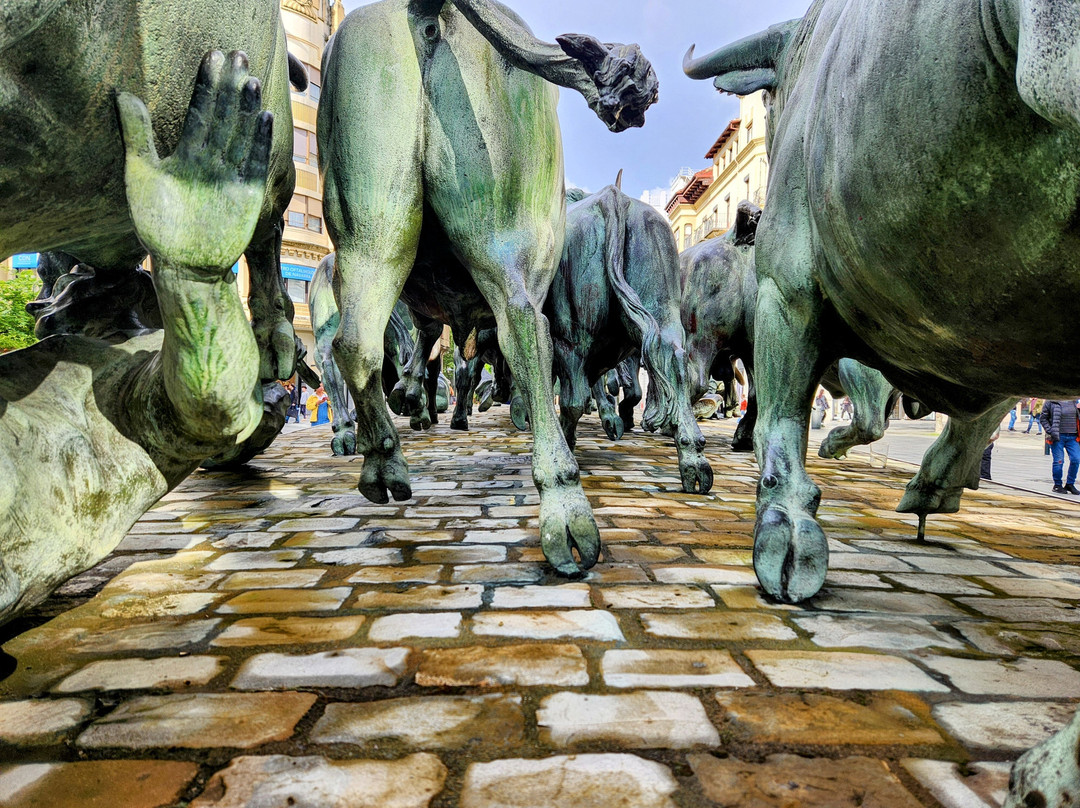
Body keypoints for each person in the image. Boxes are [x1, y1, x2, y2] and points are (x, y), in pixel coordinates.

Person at [1039, 399, 1080, 494]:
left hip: (1073, 436)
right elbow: (1043, 418)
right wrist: (1050, 431)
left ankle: (1070, 484)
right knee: (1059, 461)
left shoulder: (1074, 400)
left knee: (1076, 460)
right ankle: (1057, 485)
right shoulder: (1051, 400)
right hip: (1057, 437)